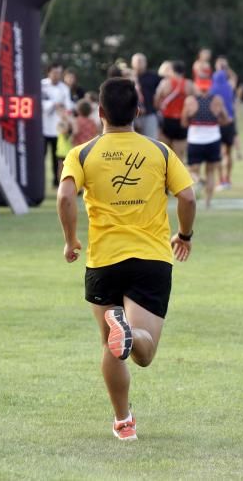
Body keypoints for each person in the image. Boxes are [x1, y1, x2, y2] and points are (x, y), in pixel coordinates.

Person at [56, 77, 196, 442]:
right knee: (143, 350)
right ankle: (131, 331)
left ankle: (123, 421)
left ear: (100, 112)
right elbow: (189, 197)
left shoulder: (82, 153)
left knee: (110, 346)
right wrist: (184, 235)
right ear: (138, 111)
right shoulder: (160, 151)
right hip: (151, 259)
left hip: (103, 261)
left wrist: (71, 241)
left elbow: (65, 197)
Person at [181, 83, 230, 209]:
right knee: (211, 172)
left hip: (195, 139)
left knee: (192, 170)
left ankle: (199, 181)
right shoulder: (217, 100)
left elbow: (184, 121)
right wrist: (215, 121)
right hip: (213, 138)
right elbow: (226, 119)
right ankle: (208, 203)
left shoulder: (190, 100)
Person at [41, 63, 73, 188]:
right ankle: (40, 180)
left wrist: (63, 109)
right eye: (54, 73)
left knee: (57, 156)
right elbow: (40, 103)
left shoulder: (64, 88)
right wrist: (54, 104)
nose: (56, 75)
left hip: (58, 128)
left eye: (59, 73)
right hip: (43, 126)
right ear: (49, 73)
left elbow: (68, 105)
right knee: (41, 155)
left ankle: (56, 180)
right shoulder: (42, 85)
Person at [155, 61, 194, 161]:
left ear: (172, 71)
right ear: (184, 72)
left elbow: (156, 101)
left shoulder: (165, 83)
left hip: (167, 121)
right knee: (178, 159)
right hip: (182, 122)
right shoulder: (189, 84)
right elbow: (194, 103)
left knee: (163, 157)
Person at [209, 69, 237, 190]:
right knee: (228, 152)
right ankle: (228, 178)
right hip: (229, 123)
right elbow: (234, 78)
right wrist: (227, 68)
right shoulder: (229, 87)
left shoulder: (212, 90)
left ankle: (220, 179)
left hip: (217, 124)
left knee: (218, 153)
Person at [131, 53, 161, 141]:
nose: (139, 63)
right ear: (132, 63)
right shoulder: (127, 77)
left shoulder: (154, 77)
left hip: (149, 113)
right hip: (131, 116)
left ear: (146, 63)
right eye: (137, 61)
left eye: (141, 61)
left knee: (151, 141)